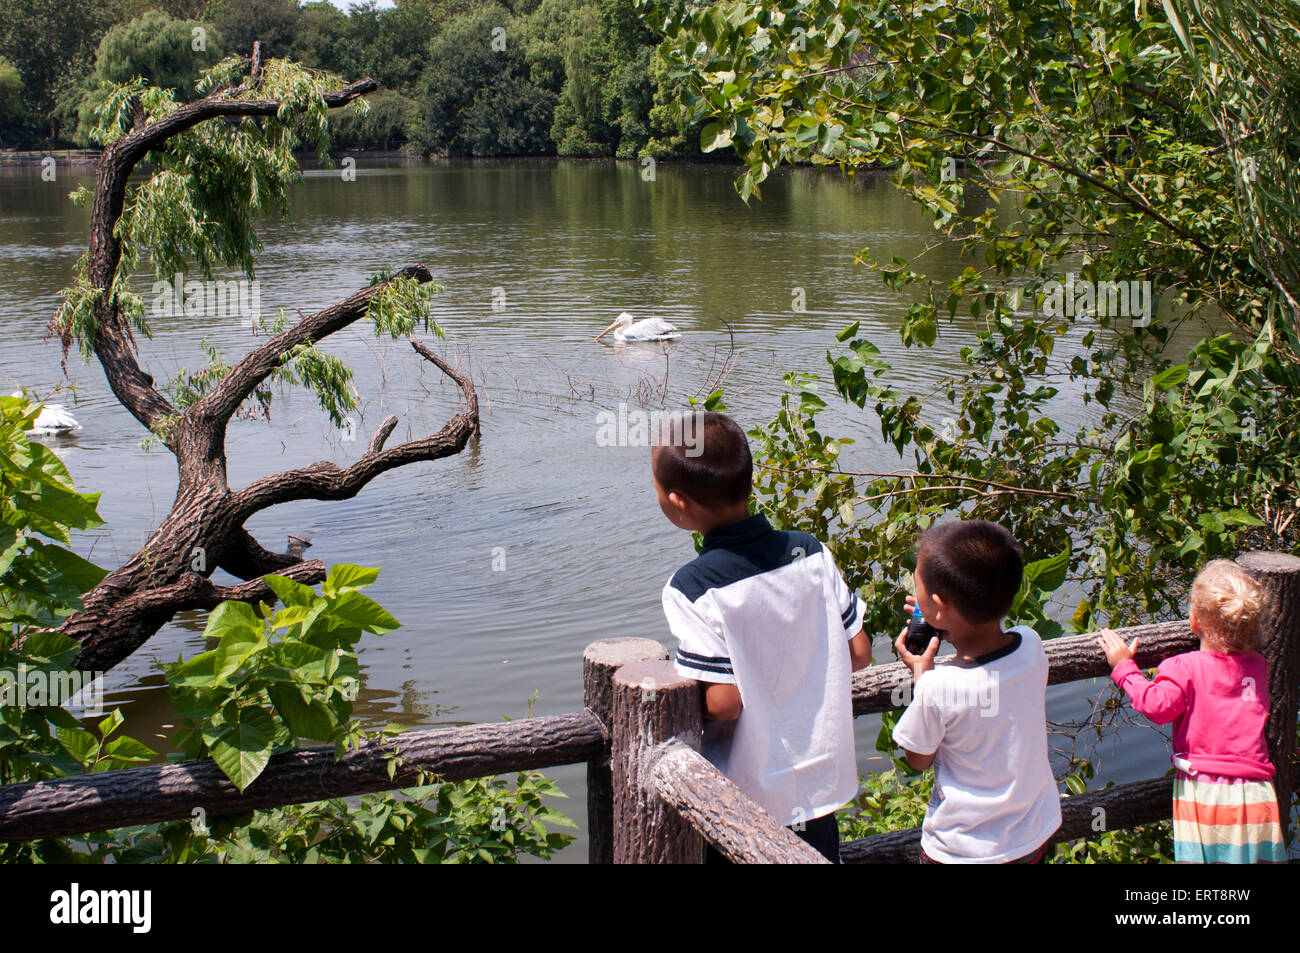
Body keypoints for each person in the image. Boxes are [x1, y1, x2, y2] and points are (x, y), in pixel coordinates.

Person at [652, 411, 871, 864]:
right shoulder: (811, 552)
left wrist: (677, 688)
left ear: (678, 502)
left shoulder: (692, 588)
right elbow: (860, 652)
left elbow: (725, 703)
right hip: (816, 792)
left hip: (743, 801)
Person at [891, 519, 1062, 863]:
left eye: (918, 583)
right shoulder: (1030, 644)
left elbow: (918, 758)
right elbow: (988, 667)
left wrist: (923, 675)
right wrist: (949, 621)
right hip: (1032, 837)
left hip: (963, 850)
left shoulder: (938, 686)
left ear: (939, 606)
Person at [1099, 559, 1287, 863]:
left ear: (1195, 621)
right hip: (1257, 794)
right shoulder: (1258, 667)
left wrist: (1124, 669)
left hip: (1207, 794)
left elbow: (1156, 706)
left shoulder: (1184, 667)